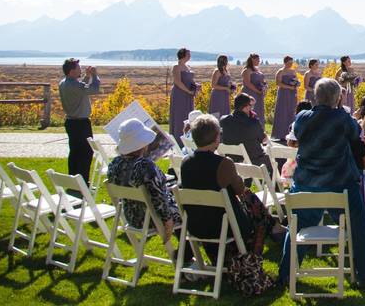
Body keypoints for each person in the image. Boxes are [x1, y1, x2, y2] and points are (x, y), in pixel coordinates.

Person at [279, 78, 365, 289]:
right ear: (337, 97)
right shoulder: (343, 119)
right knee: (359, 227)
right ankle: (364, 274)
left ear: (316, 97)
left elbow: (296, 137)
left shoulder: (302, 118)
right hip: (340, 183)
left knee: (295, 226)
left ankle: (285, 275)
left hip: (307, 183)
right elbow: (356, 137)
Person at [180, 114, 284, 262]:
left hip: (196, 225)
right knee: (255, 209)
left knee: (250, 202)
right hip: (225, 225)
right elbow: (240, 190)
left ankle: (274, 228)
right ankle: (261, 246)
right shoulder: (223, 163)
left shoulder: (185, 163)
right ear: (217, 138)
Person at [108, 118, 181, 246]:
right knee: (186, 204)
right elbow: (159, 199)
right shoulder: (145, 166)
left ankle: (186, 251)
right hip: (152, 218)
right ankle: (187, 251)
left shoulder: (115, 164)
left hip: (131, 217)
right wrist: (168, 220)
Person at [59, 58, 100, 184]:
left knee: (75, 152)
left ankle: (74, 180)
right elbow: (93, 89)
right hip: (81, 123)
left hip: (71, 122)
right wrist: (95, 75)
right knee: (86, 152)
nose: (80, 69)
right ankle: (83, 181)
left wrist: (87, 77)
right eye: (78, 68)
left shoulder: (64, 83)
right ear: (71, 71)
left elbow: (81, 89)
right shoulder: (74, 84)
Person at [220, 93, 271, 173]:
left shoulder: (224, 120)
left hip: (232, 162)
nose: (251, 108)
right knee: (276, 160)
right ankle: (273, 185)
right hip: (253, 162)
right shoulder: (253, 122)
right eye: (251, 106)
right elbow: (264, 139)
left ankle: (245, 184)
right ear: (247, 107)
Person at [170, 48, 199, 141]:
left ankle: (189, 138)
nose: (190, 56)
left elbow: (190, 80)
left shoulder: (188, 67)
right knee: (180, 115)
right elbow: (177, 82)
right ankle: (178, 139)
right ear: (183, 55)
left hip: (189, 94)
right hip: (179, 94)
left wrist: (196, 86)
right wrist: (188, 91)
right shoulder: (176, 66)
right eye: (188, 54)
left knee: (188, 115)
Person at [272, 56, 300, 142]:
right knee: (283, 111)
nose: (291, 64)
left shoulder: (293, 71)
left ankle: (292, 133)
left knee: (292, 111)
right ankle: (281, 134)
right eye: (289, 63)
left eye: (292, 63)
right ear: (285, 62)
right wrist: (289, 87)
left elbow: (296, 80)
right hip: (283, 93)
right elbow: (278, 83)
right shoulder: (280, 71)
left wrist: (296, 84)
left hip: (292, 94)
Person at [240, 53, 266, 127]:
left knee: (259, 110)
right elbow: (247, 83)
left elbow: (262, 81)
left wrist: (264, 86)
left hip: (259, 94)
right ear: (252, 60)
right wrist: (257, 91)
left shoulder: (257, 69)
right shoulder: (247, 70)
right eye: (257, 60)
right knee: (251, 109)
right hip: (250, 93)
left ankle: (260, 129)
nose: (259, 61)